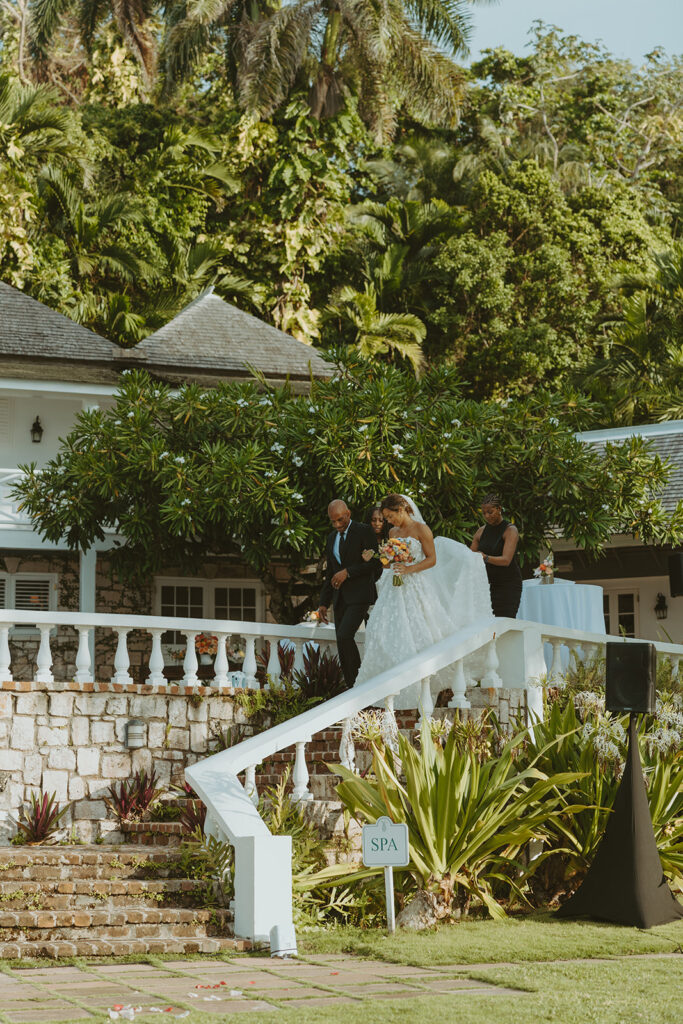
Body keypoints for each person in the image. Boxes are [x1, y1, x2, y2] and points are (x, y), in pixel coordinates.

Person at [354, 493, 492, 708]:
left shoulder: (421, 530)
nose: (388, 521)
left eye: (390, 516)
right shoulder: (393, 532)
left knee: (420, 627)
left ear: (401, 510)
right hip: (394, 587)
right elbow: (387, 563)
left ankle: (420, 680)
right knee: (384, 630)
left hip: (415, 584)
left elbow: (432, 559)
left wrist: (409, 569)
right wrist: (377, 557)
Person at [317, 499, 380, 686]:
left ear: (348, 514)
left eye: (340, 520)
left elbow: (375, 563)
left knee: (345, 635)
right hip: (339, 599)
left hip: (360, 595)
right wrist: (323, 602)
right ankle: (351, 686)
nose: (337, 525)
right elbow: (330, 573)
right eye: (333, 521)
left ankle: (360, 681)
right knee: (341, 642)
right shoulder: (331, 538)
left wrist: (348, 572)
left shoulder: (364, 531)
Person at [471, 493, 523, 617]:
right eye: (484, 513)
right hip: (487, 584)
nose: (487, 516)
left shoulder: (510, 530)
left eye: (490, 512)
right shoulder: (481, 531)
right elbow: (471, 555)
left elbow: (506, 560)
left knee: (505, 620)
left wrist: (485, 557)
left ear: (499, 509)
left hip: (508, 585)